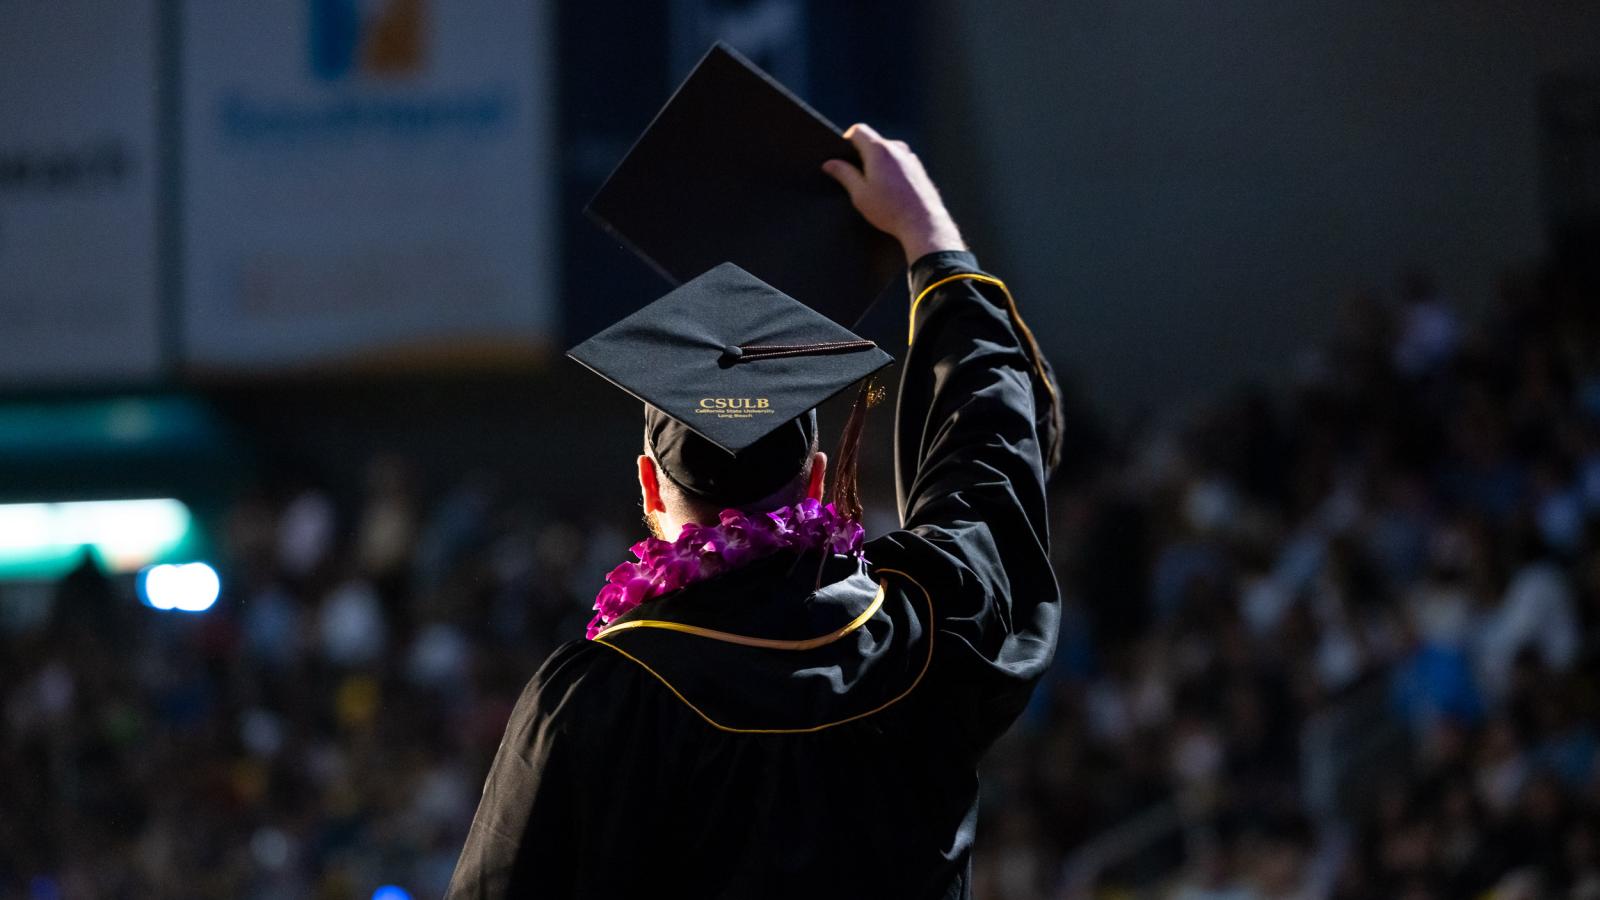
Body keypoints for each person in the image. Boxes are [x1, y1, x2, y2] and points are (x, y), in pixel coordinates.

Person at [445, 124, 1062, 898]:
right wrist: (929, 241)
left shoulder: (602, 699)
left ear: (648, 485)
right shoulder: (923, 631)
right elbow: (989, 461)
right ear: (817, 480)